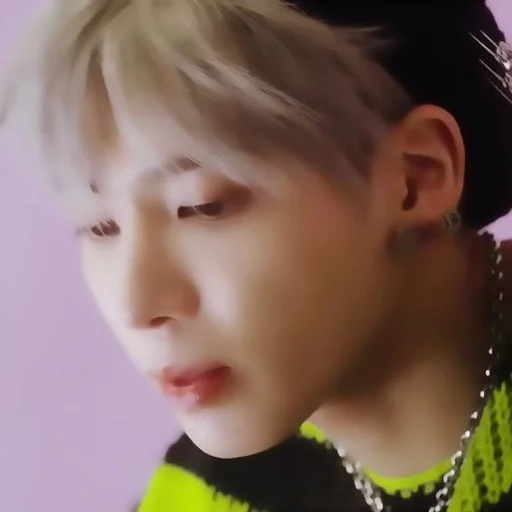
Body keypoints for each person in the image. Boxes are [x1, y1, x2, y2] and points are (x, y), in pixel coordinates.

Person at [3, 0, 512, 510]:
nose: (136, 305)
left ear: (415, 176)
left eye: (203, 205)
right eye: (99, 224)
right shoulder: (197, 495)